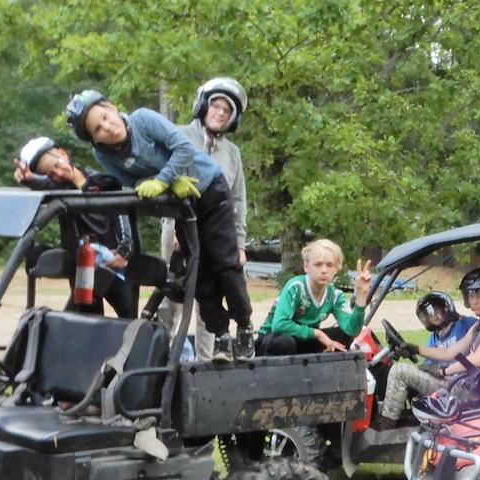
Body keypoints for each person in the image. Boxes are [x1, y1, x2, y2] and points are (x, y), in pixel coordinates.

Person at [66, 90, 254, 360]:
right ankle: (221, 335)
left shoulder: (143, 120)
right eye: (98, 128)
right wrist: (163, 183)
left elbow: (184, 148)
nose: (107, 127)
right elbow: (134, 183)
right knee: (198, 273)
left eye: (105, 117)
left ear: (112, 107)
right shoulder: (104, 155)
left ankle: (245, 327)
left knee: (225, 263)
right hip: (180, 204)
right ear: (93, 138)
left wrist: (165, 178)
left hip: (209, 190)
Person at [14, 136, 138, 318]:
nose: (58, 174)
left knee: (129, 316)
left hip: (114, 263)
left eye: (57, 166)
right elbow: (40, 184)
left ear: (63, 154)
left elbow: (121, 211)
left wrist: (123, 251)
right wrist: (27, 179)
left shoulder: (101, 181)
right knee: (87, 322)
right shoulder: (59, 189)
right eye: (50, 174)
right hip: (84, 267)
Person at [374, 271, 480, 429]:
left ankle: (386, 424)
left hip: (466, 393)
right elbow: (450, 353)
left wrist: (444, 371)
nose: (474, 301)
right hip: (461, 384)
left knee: (399, 371)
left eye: (479, 295)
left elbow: (477, 360)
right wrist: (416, 348)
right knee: (416, 370)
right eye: (471, 295)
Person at [257, 239, 370, 356]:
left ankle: (320, 370)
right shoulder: (296, 286)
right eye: (318, 264)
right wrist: (318, 334)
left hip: (303, 339)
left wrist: (360, 297)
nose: (324, 270)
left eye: (329, 265)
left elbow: (352, 330)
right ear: (306, 266)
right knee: (285, 343)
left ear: (336, 269)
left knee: (343, 335)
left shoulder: (335, 295)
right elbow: (279, 325)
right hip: (271, 339)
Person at [182, 77, 249, 272]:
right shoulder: (179, 136)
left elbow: (238, 200)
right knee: (174, 299)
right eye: (216, 105)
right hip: (181, 231)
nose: (220, 113)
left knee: (212, 297)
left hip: (219, 236)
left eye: (227, 110)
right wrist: (173, 233)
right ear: (203, 105)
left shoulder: (232, 152)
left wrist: (239, 244)